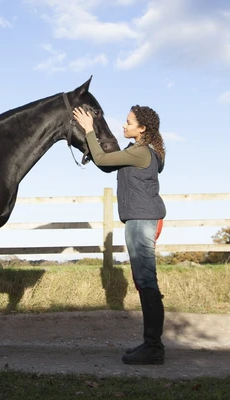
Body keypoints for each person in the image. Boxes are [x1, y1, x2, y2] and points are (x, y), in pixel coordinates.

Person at [72, 104, 167, 365]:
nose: (124, 126)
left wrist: (89, 129)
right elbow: (106, 165)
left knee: (146, 280)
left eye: (128, 122)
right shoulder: (140, 152)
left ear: (142, 128)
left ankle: (154, 348)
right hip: (143, 218)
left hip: (142, 219)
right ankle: (151, 343)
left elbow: (103, 159)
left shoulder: (140, 152)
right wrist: (90, 143)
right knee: (144, 280)